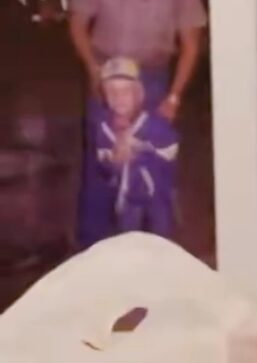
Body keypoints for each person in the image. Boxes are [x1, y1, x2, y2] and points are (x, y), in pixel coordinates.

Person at [67, 0, 206, 248]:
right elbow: (77, 23)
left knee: (152, 167)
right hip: (107, 70)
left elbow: (191, 44)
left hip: (151, 76)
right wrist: (92, 68)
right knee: (102, 158)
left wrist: (174, 96)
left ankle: (152, 244)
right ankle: (92, 244)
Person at [93, 57, 179, 237]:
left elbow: (170, 154)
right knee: (127, 237)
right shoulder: (104, 126)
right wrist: (114, 160)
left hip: (156, 197)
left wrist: (140, 154)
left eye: (126, 91)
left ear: (139, 94)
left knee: (160, 237)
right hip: (127, 199)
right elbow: (102, 159)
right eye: (112, 91)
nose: (118, 97)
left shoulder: (156, 125)